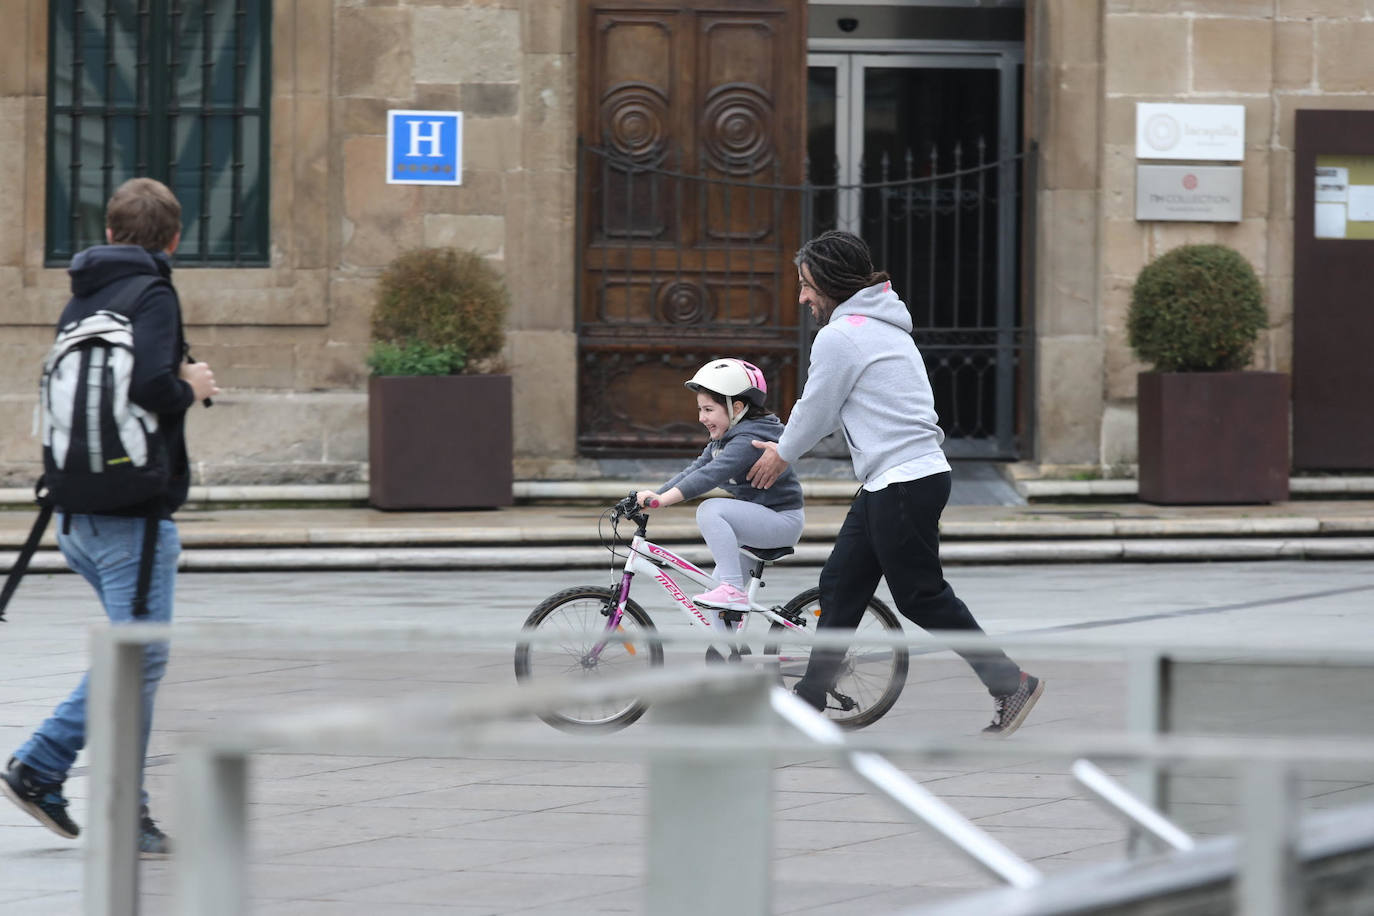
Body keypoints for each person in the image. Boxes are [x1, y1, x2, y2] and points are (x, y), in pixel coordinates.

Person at [748, 230, 1043, 736]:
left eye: (805, 285)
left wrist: (781, 455)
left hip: (904, 480)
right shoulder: (880, 326)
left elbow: (817, 407)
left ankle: (1009, 681)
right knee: (841, 586)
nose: (801, 297)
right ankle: (808, 700)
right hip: (897, 479)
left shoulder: (842, 335)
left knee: (921, 595)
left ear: (829, 282)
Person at [0, 178, 219, 855]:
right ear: (174, 240)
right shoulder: (154, 293)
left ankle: (126, 807)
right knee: (138, 657)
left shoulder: (82, 296)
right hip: (133, 517)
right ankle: (44, 764)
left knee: (138, 655)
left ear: (111, 233)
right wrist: (193, 385)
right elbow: (150, 386)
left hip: (77, 514)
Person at [636, 358, 805, 632]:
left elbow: (709, 476)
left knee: (711, 509)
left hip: (780, 521)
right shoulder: (723, 439)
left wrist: (662, 501)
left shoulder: (748, 439)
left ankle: (733, 589)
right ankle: (729, 658)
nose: (701, 417)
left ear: (736, 408)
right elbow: (696, 468)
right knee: (719, 610)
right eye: (700, 409)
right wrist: (656, 495)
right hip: (759, 522)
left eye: (708, 409)